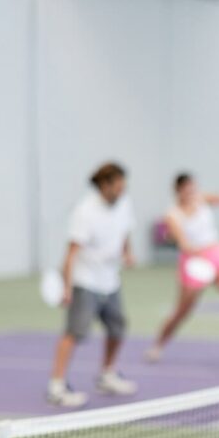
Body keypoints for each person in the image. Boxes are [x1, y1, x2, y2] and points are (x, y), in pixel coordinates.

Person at [145, 173, 219, 367]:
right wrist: (198, 253)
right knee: (182, 311)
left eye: (193, 187)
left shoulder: (200, 199)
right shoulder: (172, 214)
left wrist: (205, 197)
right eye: (186, 189)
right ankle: (158, 345)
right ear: (178, 191)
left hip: (217, 253)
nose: (191, 192)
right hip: (194, 261)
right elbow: (183, 244)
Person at [47, 162, 137, 407]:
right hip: (85, 281)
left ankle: (107, 375)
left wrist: (127, 253)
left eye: (123, 185)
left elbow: (125, 230)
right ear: (104, 185)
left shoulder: (124, 204)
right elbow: (71, 254)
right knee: (74, 333)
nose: (122, 190)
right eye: (118, 186)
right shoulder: (84, 212)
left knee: (118, 327)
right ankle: (56, 387)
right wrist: (66, 288)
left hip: (111, 280)